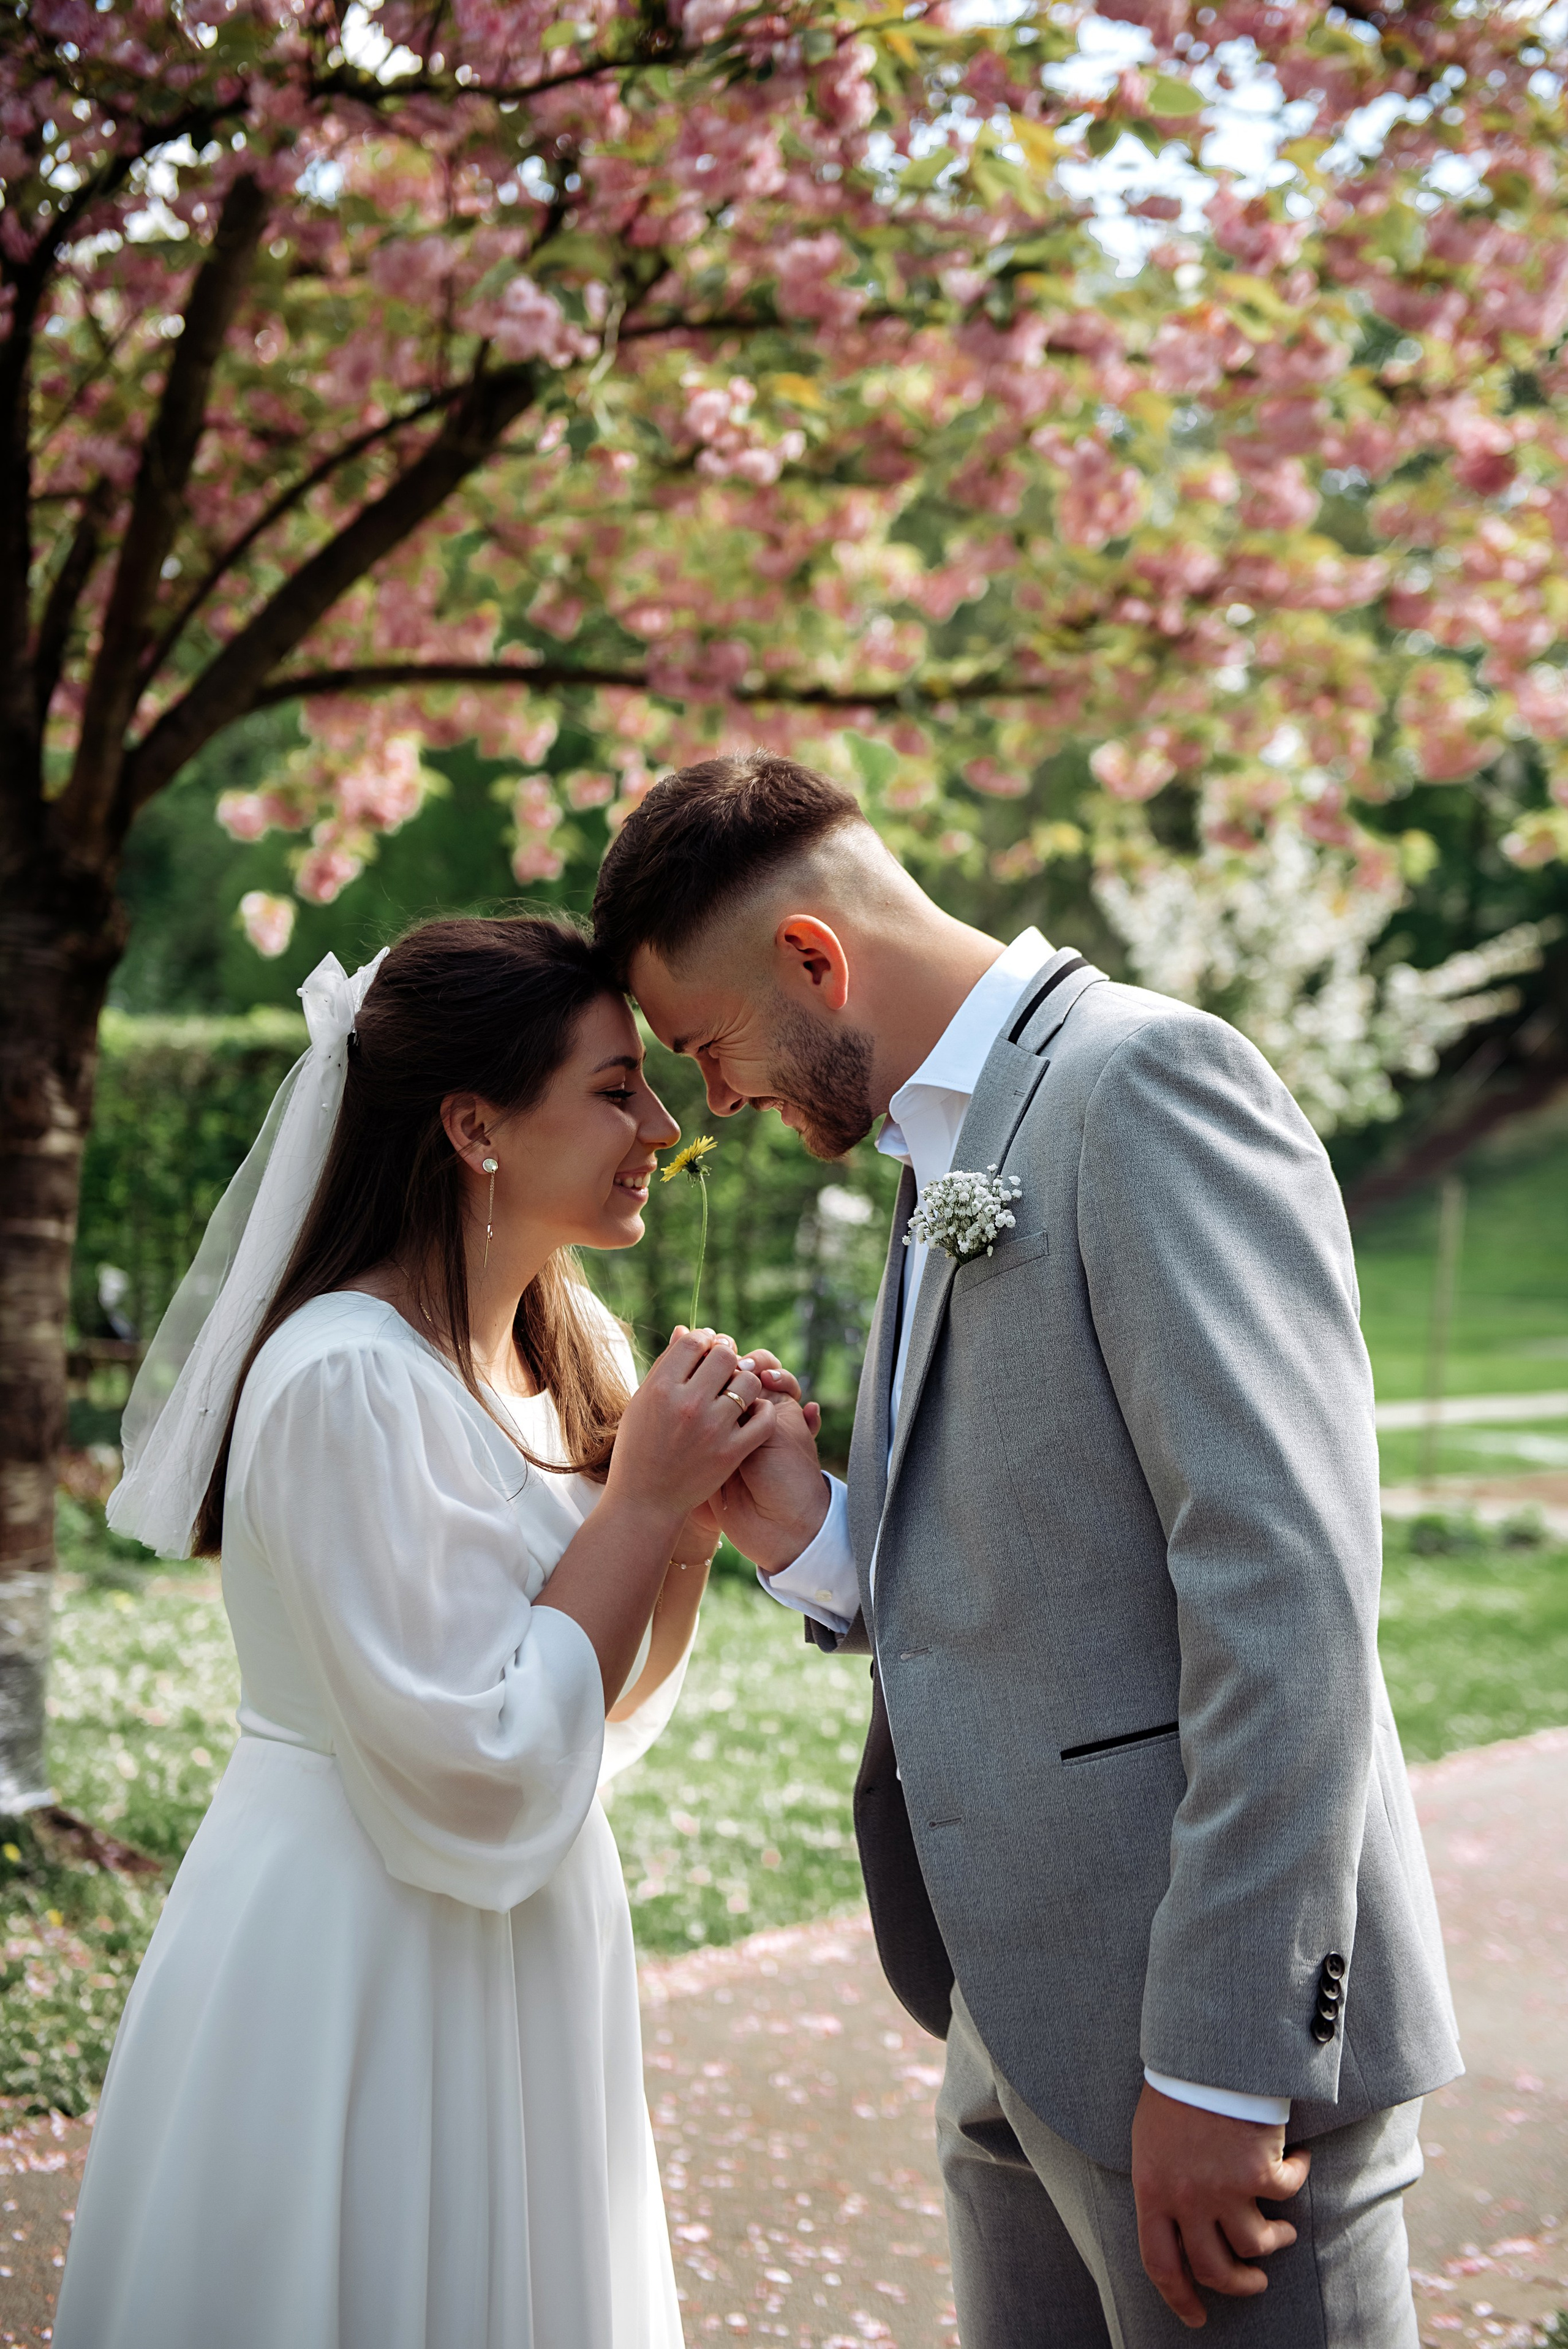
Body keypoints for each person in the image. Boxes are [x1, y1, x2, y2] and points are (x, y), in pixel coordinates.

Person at [592, 753, 1463, 2348]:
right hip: (1019, 2027)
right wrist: (813, 1531)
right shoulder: (953, 1149)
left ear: (811, 957)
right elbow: (1045, 1568)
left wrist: (1221, 2055)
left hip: (1201, 2061)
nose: (711, 1099)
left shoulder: (1142, 1087)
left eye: (708, 1047)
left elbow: (1289, 1595)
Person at [56, 914, 811, 2349]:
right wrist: (636, 1501)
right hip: (360, 1942)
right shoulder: (342, 1377)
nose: (662, 1122)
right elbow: (475, 1748)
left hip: (525, 1928)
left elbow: (579, 1709)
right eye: (611, 1088)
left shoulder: (559, 1344)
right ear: (474, 1124)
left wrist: (685, 1530)